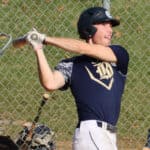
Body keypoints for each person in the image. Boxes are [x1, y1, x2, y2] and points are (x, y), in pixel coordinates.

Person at [26, 6, 129, 150]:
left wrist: (45, 39)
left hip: (109, 136)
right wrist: (38, 48)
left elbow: (83, 48)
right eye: (104, 24)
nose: (110, 30)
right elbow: (50, 83)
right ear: (89, 30)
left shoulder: (119, 55)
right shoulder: (71, 65)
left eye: (110, 25)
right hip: (91, 132)